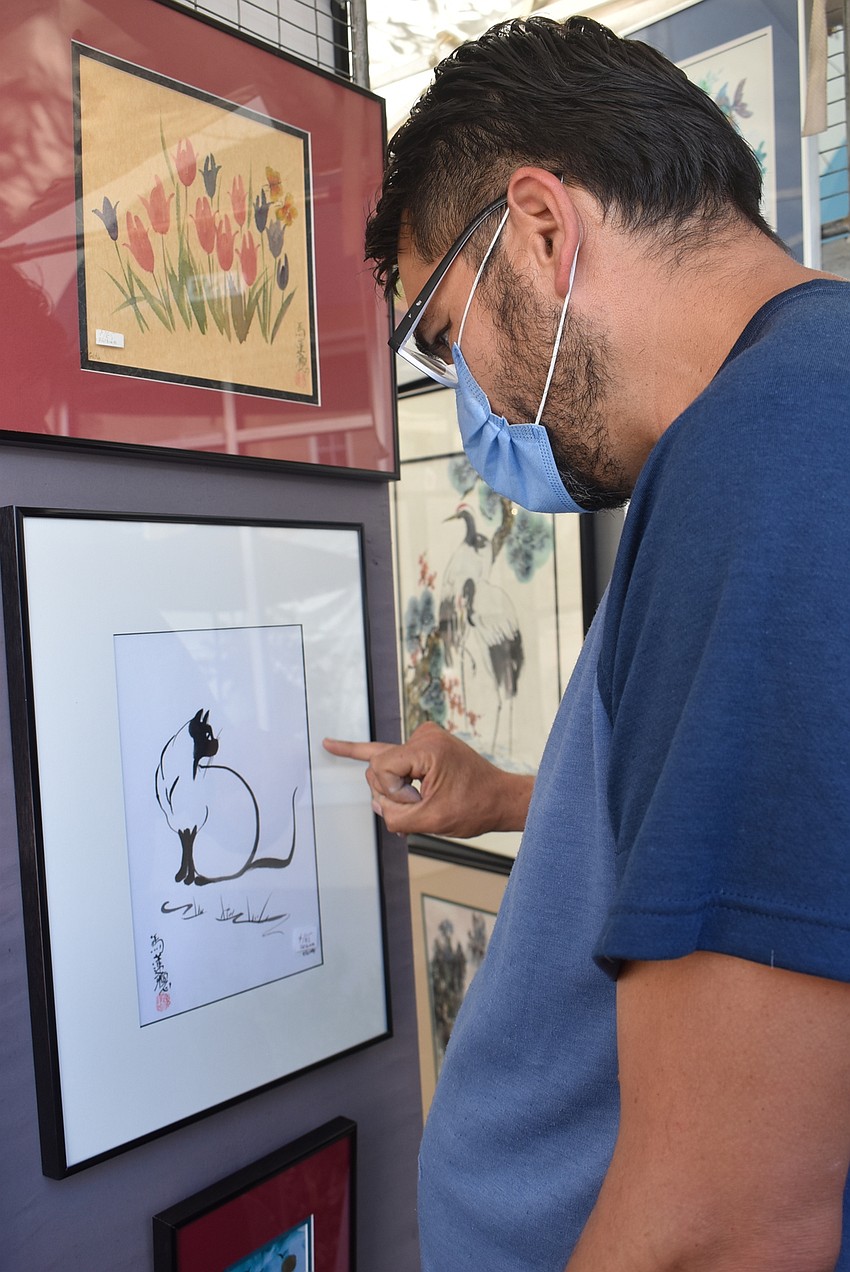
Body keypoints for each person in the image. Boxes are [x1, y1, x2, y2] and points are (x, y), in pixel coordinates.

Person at [324, 15, 850, 1271]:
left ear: (545, 228)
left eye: (451, 339)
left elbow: (723, 1220)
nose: (481, 401)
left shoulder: (765, 451)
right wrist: (513, 797)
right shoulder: (781, 422)